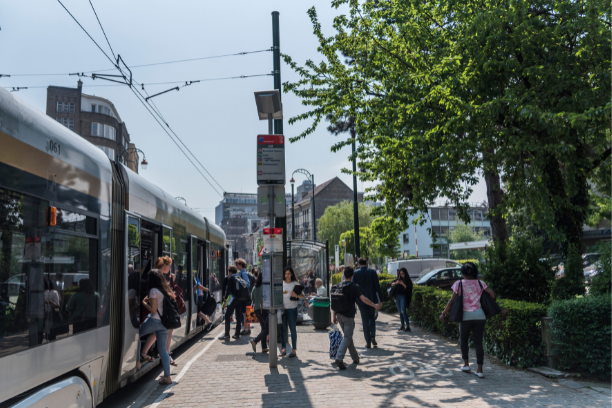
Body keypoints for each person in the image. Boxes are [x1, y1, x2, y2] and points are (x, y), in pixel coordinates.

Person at [439, 262, 496, 378]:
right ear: (474, 272)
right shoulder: (481, 283)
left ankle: (466, 364)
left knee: (464, 340)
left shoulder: (458, 284)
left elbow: (451, 301)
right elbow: (493, 297)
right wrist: (488, 290)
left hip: (465, 317)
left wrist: (443, 313)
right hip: (480, 316)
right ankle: (479, 370)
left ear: (463, 273)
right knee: (478, 342)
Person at [332, 266, 381, 370]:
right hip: (348, 316)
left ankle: (355, 357)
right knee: (347, 337)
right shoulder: (354, 286)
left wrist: (334, 316)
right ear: (353, 275)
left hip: (339, 315)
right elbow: (363, 299)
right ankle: (339, 357)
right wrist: (374, 305)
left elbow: (335, 302)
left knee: (348, 336)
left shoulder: (338, 285)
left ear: (343, 275)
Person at [140, 256, 178, 366]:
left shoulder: (158, 276)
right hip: (159, 312)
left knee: (157, 332)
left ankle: (144, 353)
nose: (170, 268)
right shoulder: (158, 276)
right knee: (162, 331)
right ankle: (166, 355)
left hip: (157, 311)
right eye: (169, 265)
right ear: (164, 265)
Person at [138, 269, 174, 384]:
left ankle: (137, 361)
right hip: (165, 323)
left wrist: (143, 302)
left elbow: (153, 309)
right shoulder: (165, 289)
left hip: (155, 321)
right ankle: (167, 377)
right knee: (163, 349)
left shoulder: (153, 290)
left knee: (136, 335)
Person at [352, 258, 383, 348]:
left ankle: (368, 341)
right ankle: (372, 335)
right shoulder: (372, 272)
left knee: (364, 320)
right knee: (372, 318)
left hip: (361, 300)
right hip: (372, 299)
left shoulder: (356, 273)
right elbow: (377, 286)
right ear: (366, 263)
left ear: (358, 264)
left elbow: (354, 287)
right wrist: (380, 300)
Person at [281, 266, 304, 358]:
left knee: (293, 329)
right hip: (282, 309)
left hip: (292, 309)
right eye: (285, 274)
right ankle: (283, 349)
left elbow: (303, 296)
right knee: (283, 329)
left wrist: (296, 295)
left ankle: (293, 350)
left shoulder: (295, 283)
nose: (287, 275)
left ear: (291, 274)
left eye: (288, 274)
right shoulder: (281, 283)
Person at [221, 266, 245, 340]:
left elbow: (228, 291)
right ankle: (237, 334)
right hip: (240, 299)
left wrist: (225, 301)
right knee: (238, 316)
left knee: (227, 315)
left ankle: (227, 334)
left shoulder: (230, 278)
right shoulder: (239, 277)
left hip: (233, 298)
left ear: (230, 272)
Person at [249, 272, 269, 353]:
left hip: (256, 310)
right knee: (268, 329)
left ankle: (264, 347)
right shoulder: (264, 287)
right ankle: (255, 341)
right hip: (263, 309)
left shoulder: (254, 288)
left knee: (263, 328)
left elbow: (253, 300)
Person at [391, 267, 413, 331]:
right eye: (400, 273)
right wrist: (396, 283)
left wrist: (403, 284)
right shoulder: (398, 279)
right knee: (400, 312)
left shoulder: (408, 280)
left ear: (405, 273)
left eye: (403, 273)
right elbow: (391, 284)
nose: (401, 275)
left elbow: (409, 289)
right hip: (396, 296)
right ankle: (402, 325)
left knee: (403, 311)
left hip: (403, 296)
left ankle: (408, 326)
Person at [235, 259, 251, 335]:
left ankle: (245, 329)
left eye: (237, 265)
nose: (236, 266)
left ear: (240, 264)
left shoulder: (243, 273)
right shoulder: (244, 272)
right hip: (247, 296)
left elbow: (247, 284)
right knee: (247, 313)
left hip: (244, 296)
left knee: (245, 313)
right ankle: (247, 329)